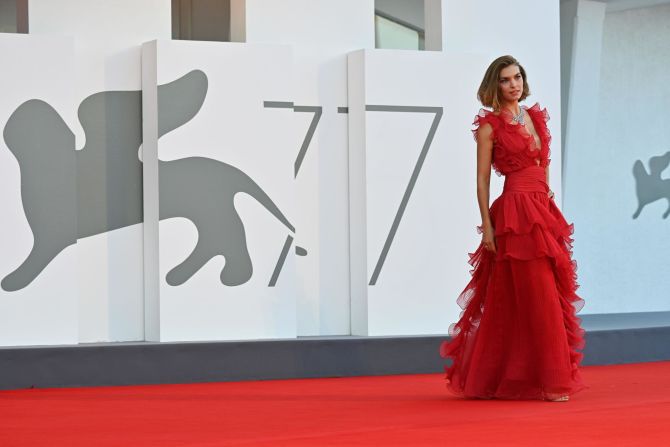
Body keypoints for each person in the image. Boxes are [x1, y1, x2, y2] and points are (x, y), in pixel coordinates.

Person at [439, 55, 588, 402]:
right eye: (505, 80)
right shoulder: (491, 126)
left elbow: (543, 165)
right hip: (515, 213)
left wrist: (548, 199)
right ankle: (552, 381)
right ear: (495, 85)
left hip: (541, 209)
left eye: (517, 77)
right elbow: (481, 181)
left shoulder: (535, 116)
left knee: (532, 295)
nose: (514, 84)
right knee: (537, 296)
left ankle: (520, 376)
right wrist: (488, 229)